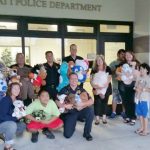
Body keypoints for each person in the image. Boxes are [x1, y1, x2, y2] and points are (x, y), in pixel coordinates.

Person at [56, 73, 94, 141]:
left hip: (80, 111)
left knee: (90, 110)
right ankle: (70, 124)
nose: (74, 80)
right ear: (69, 80)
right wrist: (64, 105)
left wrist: (82, 104)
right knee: (67, 135)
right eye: (72, 78)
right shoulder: (64, 89)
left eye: (75, 79)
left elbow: (91, 101)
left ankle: (87, 133)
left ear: (77, 80)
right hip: (70, 113)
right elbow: (56, 101)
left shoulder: (81, 89)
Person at [0, 82, 26, 150]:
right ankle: (7, 146)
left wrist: (21, 114)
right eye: (14, 88)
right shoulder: (5, 100)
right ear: (10, 90)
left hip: (9, 122)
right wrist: (15, 118)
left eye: (18, 88)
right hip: (1, 123)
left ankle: (6, 134)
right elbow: (2, 117)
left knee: (22, 125)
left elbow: (17, 114)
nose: (17, 90)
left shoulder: (18, 100)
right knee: (12, 125)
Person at [117, 50, 140, 125]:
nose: (128, 56)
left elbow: (138, 75)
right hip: (123, 84)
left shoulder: (136, 63)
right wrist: (123, 73)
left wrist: (131, 75)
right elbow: (117, 72)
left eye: (129, 55)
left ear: (132, 55)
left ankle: (133, 117)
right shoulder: (122, 63)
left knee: (131, 101)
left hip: (132, 84)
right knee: (125, 101)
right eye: (126, 55)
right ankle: (127, 116)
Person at [90, 55, 112, 125]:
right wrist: (94, 86)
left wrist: (103, 86)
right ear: (96, 62)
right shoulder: (94, 69)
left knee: (104, 102)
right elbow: (91, 79)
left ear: (103, 60)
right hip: (96, 87)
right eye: (97, 60)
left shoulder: (107, 68)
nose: (99, 62)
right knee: (97, 102)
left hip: (106, 87)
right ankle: (97, 118)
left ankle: (104, 117)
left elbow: (109, 78)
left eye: (100, 60)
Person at [134, 63, 150, 136]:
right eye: (140, 69)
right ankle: (142, 127)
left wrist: (142, 89)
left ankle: (146, 130)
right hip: (138, 99)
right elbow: (135, 87)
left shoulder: (148, 78)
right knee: (140, 114)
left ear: (147, 70)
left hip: (145, 99)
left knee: (145, 115)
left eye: (143, 69)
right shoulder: (139, 78)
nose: (141, 70)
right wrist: (136, 88)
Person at [109, 49, 126, 118]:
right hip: (116, 84)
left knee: (124, 98)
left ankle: (124, 112)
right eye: (122, 54)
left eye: (124, 54)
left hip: (125, 84)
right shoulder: (113, 63)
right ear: (118, 55)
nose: (123, 56)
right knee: (115, 98)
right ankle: (113, 112)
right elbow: (109, 72)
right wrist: (116, 69)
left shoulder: (126, 63)